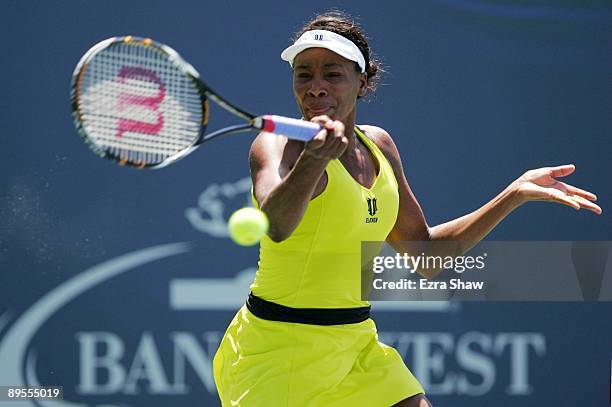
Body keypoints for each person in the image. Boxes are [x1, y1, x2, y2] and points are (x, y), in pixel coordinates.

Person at [213, 11, 601, 407]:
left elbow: (424, 254)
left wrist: (514, 194)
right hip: (280, 351)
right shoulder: (275, 146)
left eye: (332, 73)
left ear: (361, 82)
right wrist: (314, 160)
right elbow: (277, 225)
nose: (315, 87)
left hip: (355, 344)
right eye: (304, 74)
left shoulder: (379, 146)